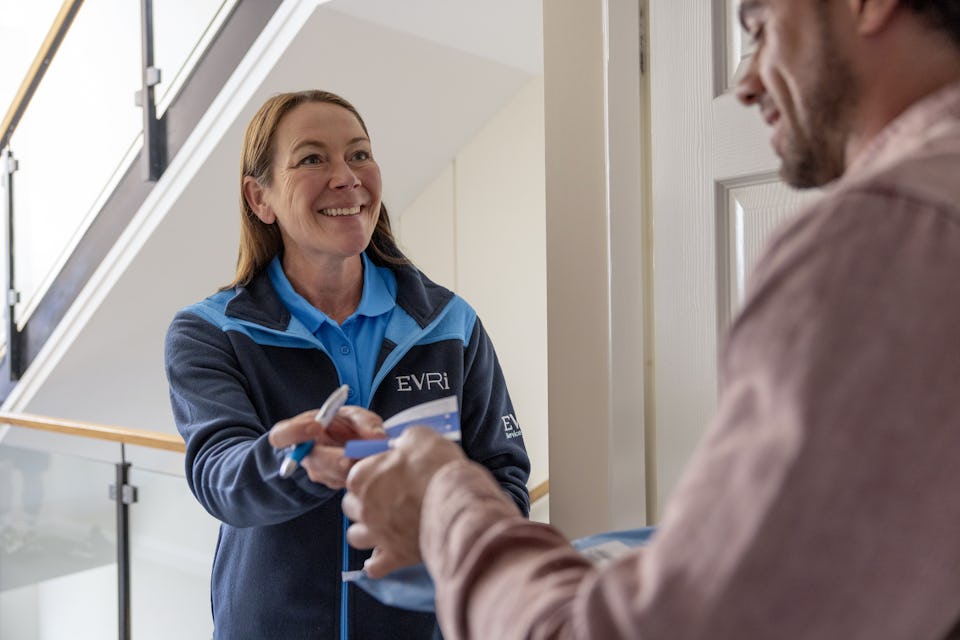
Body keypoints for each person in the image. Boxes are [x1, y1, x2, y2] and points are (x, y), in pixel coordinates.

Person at [331, 2, 960, 638]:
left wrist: (442, 500)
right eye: (310, 160)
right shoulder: (227, 326)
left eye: (762, 28)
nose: (744, 82)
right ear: (259, 198)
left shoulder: (883, 241)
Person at [164, 89, 531, 639]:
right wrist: (290, 461)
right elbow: (220, 477)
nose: (346, 176)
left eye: (359, 154)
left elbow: (504, 477)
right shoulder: (212, 333)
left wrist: (441, 531)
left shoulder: (449, 325)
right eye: (313, 158)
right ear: (259, 198)